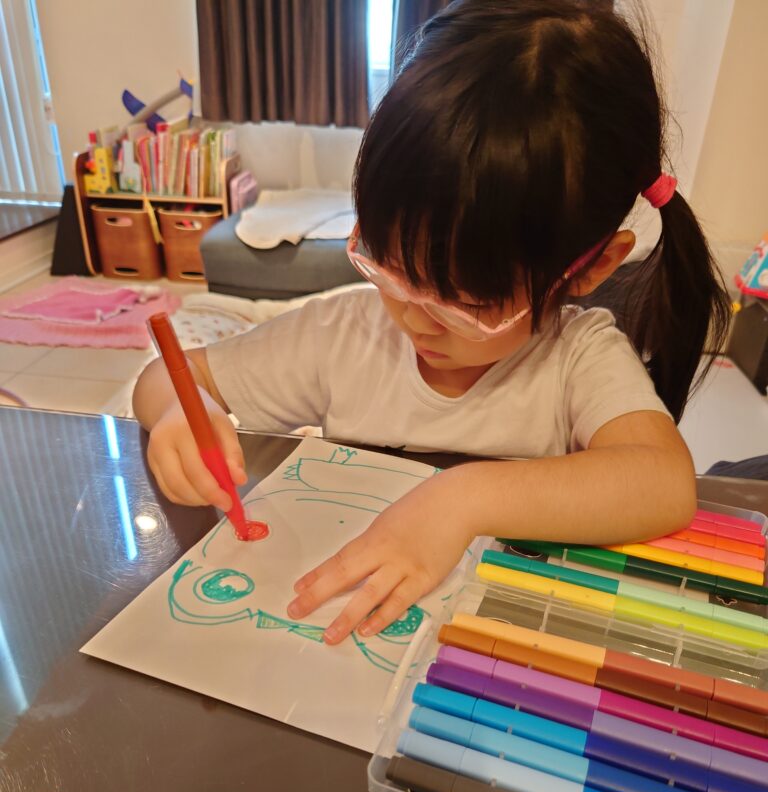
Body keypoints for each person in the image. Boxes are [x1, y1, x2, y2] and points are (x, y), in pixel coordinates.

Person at [133, 0, 730, 646]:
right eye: (390, 269)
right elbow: (169, 377)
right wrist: (179, 413)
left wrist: (461, 499)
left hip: (492, 655)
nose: (415, 319)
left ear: (590, 269)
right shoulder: (343, 336)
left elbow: (663, 482)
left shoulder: (578, 358)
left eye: (467, 303)